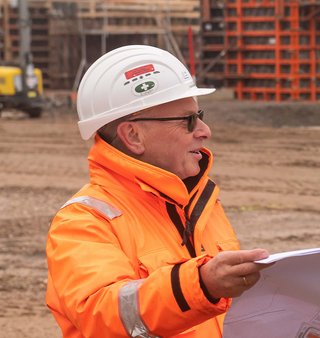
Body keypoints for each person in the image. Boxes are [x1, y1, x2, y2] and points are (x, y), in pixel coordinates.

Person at [46, 45, 269, 337]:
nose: (204, 130)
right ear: (133, 135)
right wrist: (200, 285)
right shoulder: (84, 221)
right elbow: (102, 314)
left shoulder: (199, 202)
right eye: (188, 120)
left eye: (199, 115)